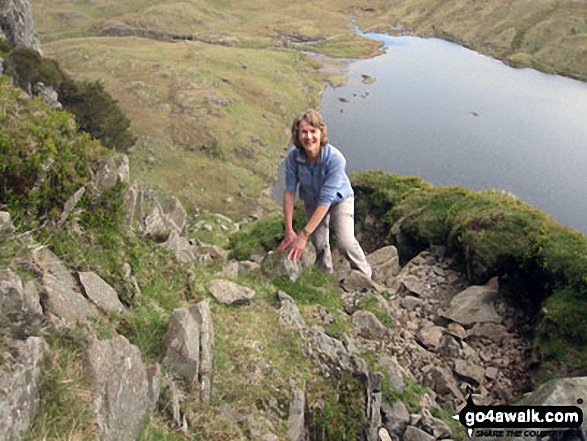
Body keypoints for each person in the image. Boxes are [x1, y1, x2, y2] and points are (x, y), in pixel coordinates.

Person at [278, 109, 373, 279]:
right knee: (319, 243)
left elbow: (326, 201)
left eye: (313, 131)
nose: (309, 137)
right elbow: (290, 192)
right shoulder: (293, 158)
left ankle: (366, 275)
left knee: (345, 242)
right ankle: (325, 277)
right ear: (297, 135)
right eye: (304, 132)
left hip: (339, 200)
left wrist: (302, 235)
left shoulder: (335, 159)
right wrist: (289, 229)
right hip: (311, 200)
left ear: (321, 133)